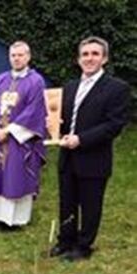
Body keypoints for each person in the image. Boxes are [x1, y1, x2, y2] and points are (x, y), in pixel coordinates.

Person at [50, 36, 130, 261]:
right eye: (85, 54)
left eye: (95, 54)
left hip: (93, 156)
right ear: (78, 59)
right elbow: (63, 118)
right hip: (67, 155)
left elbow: (114, 124)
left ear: (104, 58)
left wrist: (82, 139)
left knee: (90, 204)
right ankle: (65, 241)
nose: (89, 58)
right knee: (67, 201)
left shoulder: (117, 88)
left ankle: (84, 246)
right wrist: (53, 126)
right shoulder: (70, 86)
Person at [0, 41, 47, 231]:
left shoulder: (36, 81)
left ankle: (12, 220)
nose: (16, 58)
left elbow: (34, 111)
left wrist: (8, 131)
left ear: (28, 57)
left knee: (15, 176)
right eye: (13, 55)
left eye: (20, 55)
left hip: (18, 139)